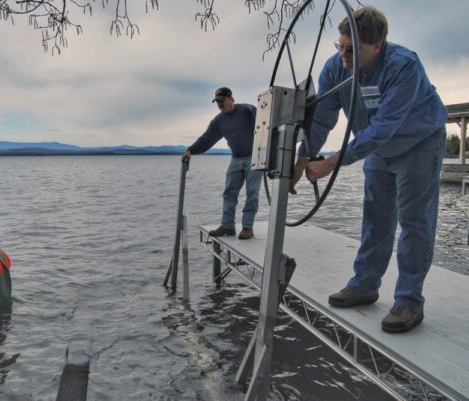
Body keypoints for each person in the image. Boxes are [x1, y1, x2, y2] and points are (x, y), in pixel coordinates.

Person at [290, 7, 447, 333]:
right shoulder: (335, 68)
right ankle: (365, 284)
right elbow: (322, 118)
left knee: (414, 222)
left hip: (419, 143)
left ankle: (408, 301)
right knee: (375, 218)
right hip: (378, 148)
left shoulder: (404, 66)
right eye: (340, 46)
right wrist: (303, 157)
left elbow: (383, 128)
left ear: (377, 46)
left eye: (352, 49)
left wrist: (331, 163)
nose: (343, 54)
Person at [182, 87, 262, 240]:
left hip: (255, 157)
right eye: (217, 102)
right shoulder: (218, 121)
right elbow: (207, 139)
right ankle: (227, 226)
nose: (219, 104)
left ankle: (247, 227)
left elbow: (265, 128)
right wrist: (190, 150)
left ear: (231, 99)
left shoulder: (247, 110)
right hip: (236, 158)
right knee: (229, 193)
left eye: (221, 101)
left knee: (252, 193)